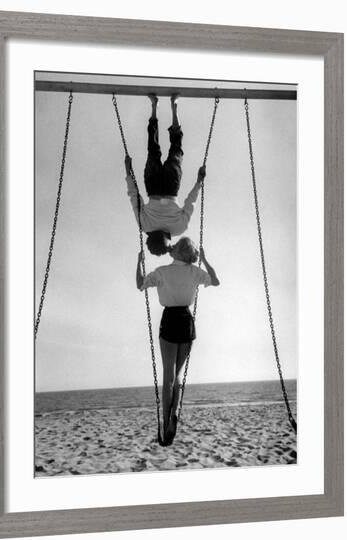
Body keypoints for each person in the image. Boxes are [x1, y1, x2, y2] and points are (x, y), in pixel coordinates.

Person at [136, 236, 220, 445]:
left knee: (168, 377)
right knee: (178, 374)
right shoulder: (195, 272)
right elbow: (215, 281)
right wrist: (206, 261)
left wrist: (139, 262)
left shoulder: (162, 272)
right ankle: (176, 410)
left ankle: (166, 422)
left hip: (170, 320)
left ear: (177, 252)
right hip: (186, 321)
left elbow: (140, 285)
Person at [125, 94, 206, 256]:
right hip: (158, 187)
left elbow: (190, 203)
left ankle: (160, 107)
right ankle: (163, 107)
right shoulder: (146, 227)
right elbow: (134, 198)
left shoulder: (178, 228)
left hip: (168, 188)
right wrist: (128, 172)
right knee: (155, 148)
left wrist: (199, 183)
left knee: (171, 149)